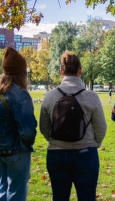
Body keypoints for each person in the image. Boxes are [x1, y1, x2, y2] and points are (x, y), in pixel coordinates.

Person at [39, 50, 107, 201]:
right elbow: (101, 127)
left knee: (60, 197)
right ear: (80, 70)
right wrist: (94, 143)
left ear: (61, 71)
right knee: (87, 197)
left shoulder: (50, 96)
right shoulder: (91, 96)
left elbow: (44, 127)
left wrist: (54, 140)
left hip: (57, 154)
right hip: (86, 154)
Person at [0, 46, 37, 201]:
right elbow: (28, 130)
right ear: (22, 72)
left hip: (1, 150)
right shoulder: (20, 94)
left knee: (2, 190)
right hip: (17, 150)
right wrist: (27, 142)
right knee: (16, 193)